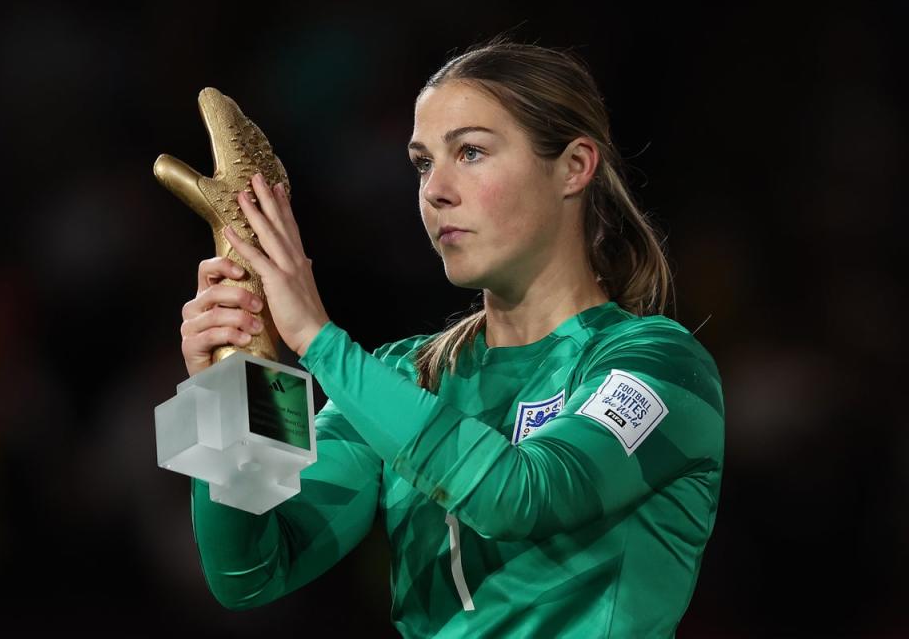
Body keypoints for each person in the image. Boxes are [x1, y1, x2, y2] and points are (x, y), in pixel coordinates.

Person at [179, 38, 724, 638]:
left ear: (573, 167)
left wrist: (317, 339)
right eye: (422, 162)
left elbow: (521, 495)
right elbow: (249, 573)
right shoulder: (404, 376)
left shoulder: (660, 365)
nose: (435, 189)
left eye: (470, 152)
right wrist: (238, 383)